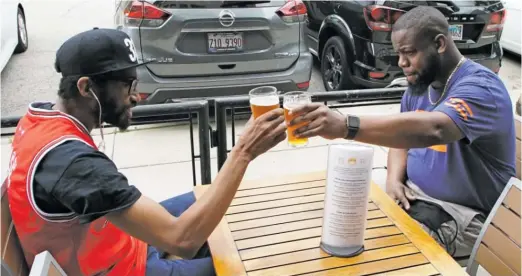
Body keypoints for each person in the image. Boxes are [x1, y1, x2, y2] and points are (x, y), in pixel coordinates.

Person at [6, 28, 287, 276]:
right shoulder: (72, 163)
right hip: (126, 269)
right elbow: (182, 240)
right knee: (256, 264)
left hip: (120, 244)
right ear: (85, 87)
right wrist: (244, 151)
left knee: (207, 201)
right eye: (127, 85)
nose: (136, 96)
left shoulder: (39, 120)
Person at [288, 6, 516, 258]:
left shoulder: (480, 88)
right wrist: (394, 180)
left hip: (465, 215)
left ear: (439, 44)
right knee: (339, 216)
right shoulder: (419, 86)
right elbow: (401, 141)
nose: (401, 63)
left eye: (408, 53)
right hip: (412, 195)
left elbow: (436, 129)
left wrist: (345, 126)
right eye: (398, 54)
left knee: (383, 254)